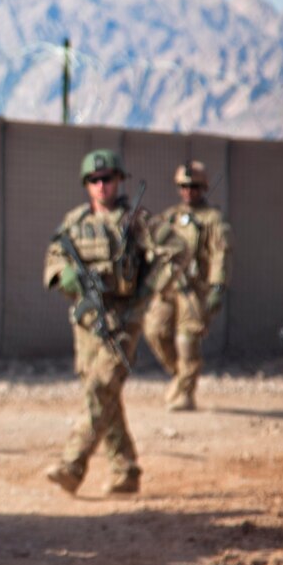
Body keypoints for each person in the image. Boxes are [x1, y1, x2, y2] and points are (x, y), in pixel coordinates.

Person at [42, 149, 170, 496]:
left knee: (102, 388)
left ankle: (73, 464)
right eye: (95, 180)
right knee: (101, 392)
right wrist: (65, 275)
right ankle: (125, 470)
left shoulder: (136, 221)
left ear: (119, 181)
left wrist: (148, 288)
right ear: (87, 185)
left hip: (124, 319)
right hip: (87, 323)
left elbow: (176, 251)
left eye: (108, 179)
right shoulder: (74, 223)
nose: (102, 186)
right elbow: (54, 259)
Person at [142, 160, 232, 411]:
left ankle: (186, 393)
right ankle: (180, 376)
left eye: (193, 186)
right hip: (168, 286)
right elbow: (152, 243)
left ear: (203, 188)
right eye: (183, 186)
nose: (188, 192)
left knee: (187, 341)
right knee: (155, 331)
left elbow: (220, 254)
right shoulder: (171, 217)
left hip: (195, 289)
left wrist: (217, 287)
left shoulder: (212, 220)